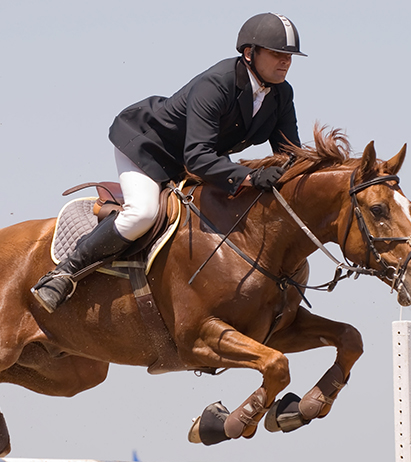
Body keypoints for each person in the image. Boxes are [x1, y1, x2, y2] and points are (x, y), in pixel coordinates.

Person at [32, 12, 307, 313]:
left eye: (289, 56)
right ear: (249, 53)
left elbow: (289, 153)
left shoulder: (282, 94)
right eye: (277, 54)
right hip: (149, 147)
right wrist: (252, 177)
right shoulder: (217, 83)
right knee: (143, 213)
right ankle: (64, 274)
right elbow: (198, 156)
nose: (285, 62)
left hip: (195, 157)